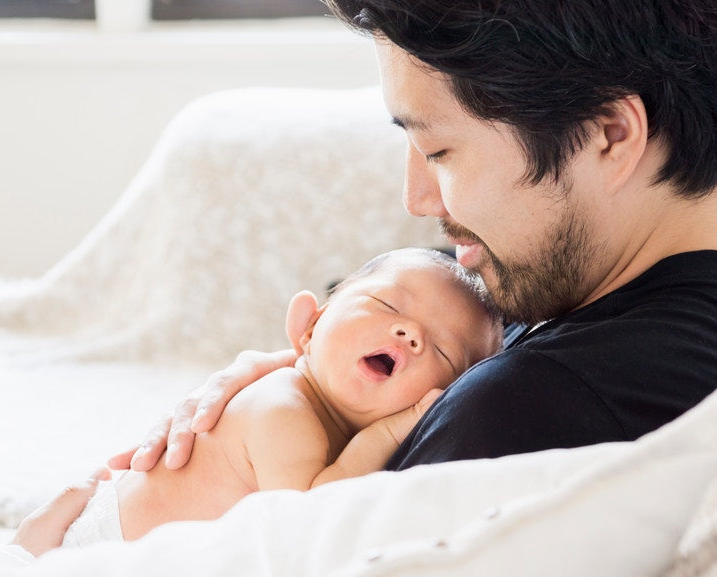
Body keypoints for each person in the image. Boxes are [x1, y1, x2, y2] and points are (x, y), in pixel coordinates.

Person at [108, 0, 717, 474]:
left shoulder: (524, 412)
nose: (417, 200)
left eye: (440, 150)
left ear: (609, 134)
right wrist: (310, 376)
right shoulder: (589, 274)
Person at [58, 247, 501, 546]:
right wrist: (383, 434)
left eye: (442, 349)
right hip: (99, 553)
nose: (411, 333)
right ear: (309, 326)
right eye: (388, 305)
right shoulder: (281, 409)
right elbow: (309, 521)